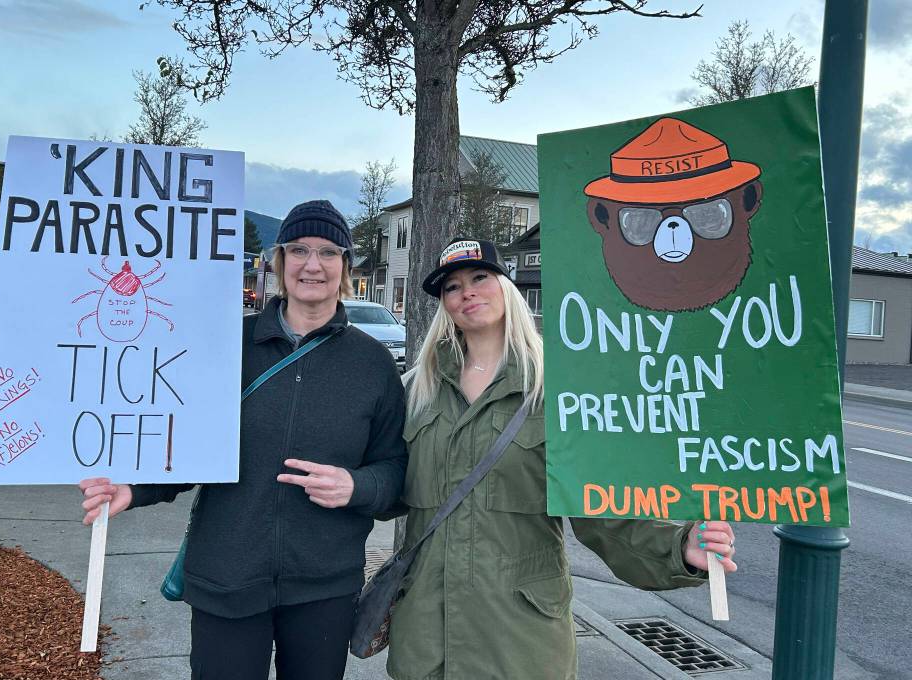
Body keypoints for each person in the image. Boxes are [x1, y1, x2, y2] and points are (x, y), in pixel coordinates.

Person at [79, 200, 407, 680]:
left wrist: (357, 487)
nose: (312, 265)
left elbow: (396, 472)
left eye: (328, 252)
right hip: (227, 576)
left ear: (345, 266)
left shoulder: (372, 365)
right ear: (279, 262)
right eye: (298, 250)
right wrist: (135, 488)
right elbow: (185, 444)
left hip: (323, 586)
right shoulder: (226, 346)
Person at [386, 237, 738, 680]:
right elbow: (384, 483)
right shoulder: (416, 390)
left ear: (508, 289)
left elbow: (603, 508)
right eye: (451, 287)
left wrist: (679, 547)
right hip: (426, 635)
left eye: (480, 278)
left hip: (519, 637)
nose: (467, 292)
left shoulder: (558, 388)